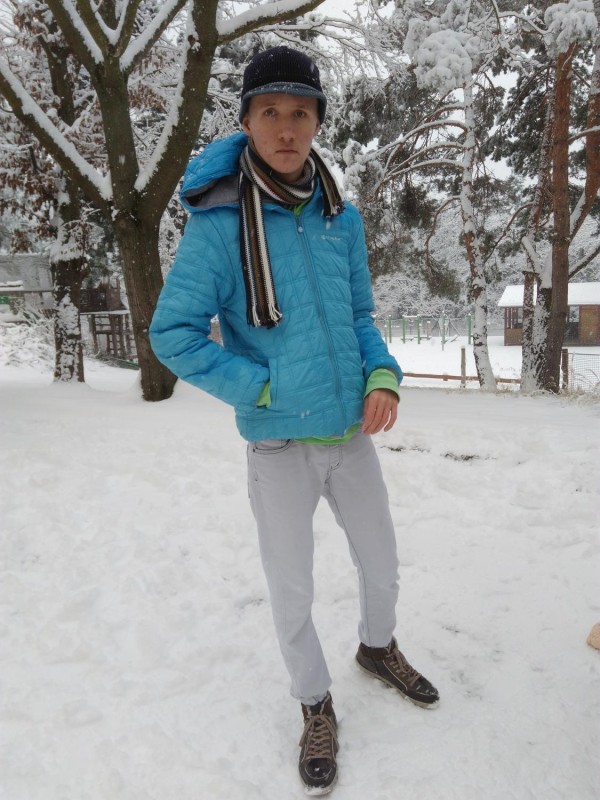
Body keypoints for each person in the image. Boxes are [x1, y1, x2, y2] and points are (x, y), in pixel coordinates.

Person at [150, 45, 439, 796]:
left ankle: (377, 648)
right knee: (293, 588)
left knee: (382, 564)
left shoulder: (341, 217)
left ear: (317, 122)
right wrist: (261, 387)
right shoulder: (218, 223)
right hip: (279, 443)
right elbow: (172, 334)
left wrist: (382, 375)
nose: (286, 127)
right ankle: (314, 700)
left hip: (349, 435)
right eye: (270, 112)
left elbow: (360, 316)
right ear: (247, 121)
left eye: (301, 113)